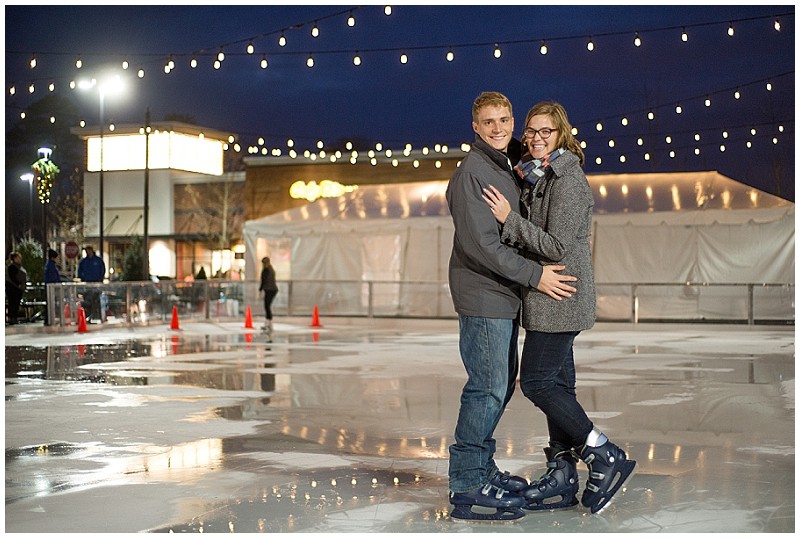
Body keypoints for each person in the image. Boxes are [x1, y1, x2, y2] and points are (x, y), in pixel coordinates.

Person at [482, 101, 636, 514]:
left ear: (562, 134)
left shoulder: (567, 180)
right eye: (530, 131)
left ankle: (603, 453)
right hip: (546, 298)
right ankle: (562, 473)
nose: (534, 138)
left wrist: (507, 219)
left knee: (537, 382)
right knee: (560, 385)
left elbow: (558, 247)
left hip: (561, 298)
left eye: (545, 132)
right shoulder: (539, 177)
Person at [445, 91, 578, 522]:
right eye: (489, 122)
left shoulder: (504, 164)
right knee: (486, 388)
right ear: (476, 127)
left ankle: (481, 467)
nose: (499, 128)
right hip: (484, 294)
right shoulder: (474, 172)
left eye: (505, 119)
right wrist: (536, 275)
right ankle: (467, 484)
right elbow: (481, 245)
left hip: (502, 295)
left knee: (499, 387)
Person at [78, 245, 106, 322]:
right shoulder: (83, 261)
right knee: (87, 301)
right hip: (87, 284)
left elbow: (102, 269)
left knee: (96, 301)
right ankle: (88, 317)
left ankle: (99, 317)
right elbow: (80, 272)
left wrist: (100, 279)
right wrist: (83, 279)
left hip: (96, 283)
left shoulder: (98, 260)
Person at [43, 248, 67, 325]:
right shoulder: (51, 265)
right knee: (51, 304)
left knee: (50, 304)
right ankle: (50, 319)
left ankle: (49, 319)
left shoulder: (49, 265)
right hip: (52, 288)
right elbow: (54, 278)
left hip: (50, 287)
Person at [6, 252, 27, 325]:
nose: (20, 259)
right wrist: (19, 284)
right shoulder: (12, 267)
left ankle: (14, 317)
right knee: (13, 303)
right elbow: (12, 277)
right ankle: (12, 318)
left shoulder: (19, 266)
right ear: (14, 258)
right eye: (18, 258)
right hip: (13, 288)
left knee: (16, 304)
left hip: (18, 289)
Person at [259, 256, 278, 331]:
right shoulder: (271, 269)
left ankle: (268, 324)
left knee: (267, 306)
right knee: (268, 306)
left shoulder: (265, 270)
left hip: (269, 289)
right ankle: (268, 323)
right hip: (273, 289)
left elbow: (263, 281)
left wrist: (260, 289)